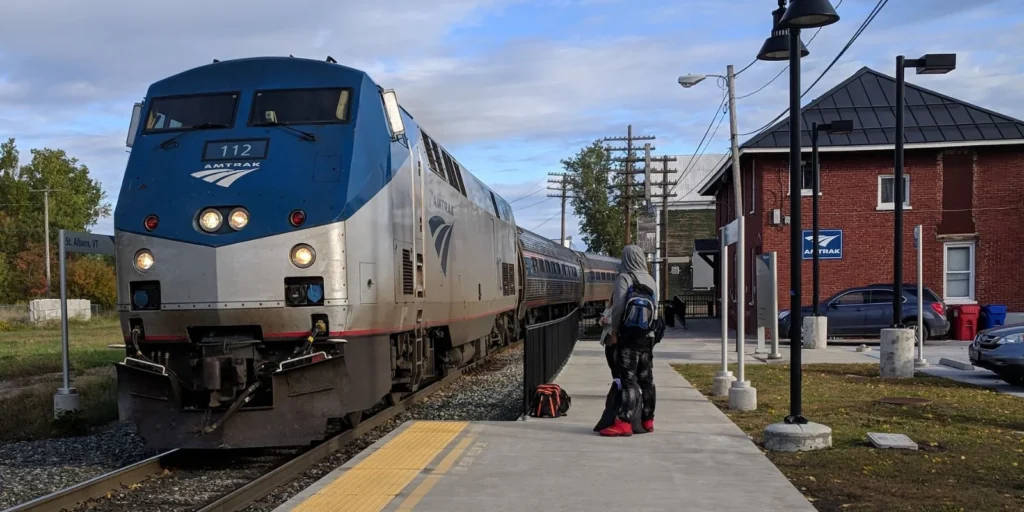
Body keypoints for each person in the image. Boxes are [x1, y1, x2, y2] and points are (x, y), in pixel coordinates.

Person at [599, 244, 657, 437]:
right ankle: (648, 420)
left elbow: (618, 308)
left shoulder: (624, 277)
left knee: (628, 380)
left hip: (628, 337)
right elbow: (655, 309)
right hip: (646, 338)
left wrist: (614, 331)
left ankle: (624, 422)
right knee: (647, 380)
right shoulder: (650, 279)